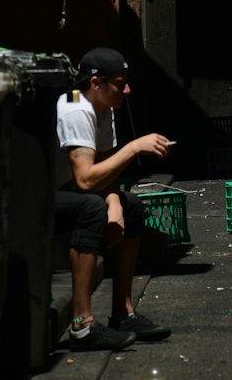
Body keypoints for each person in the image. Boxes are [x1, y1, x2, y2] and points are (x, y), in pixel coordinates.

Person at [55, 46, 174, 352]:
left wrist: (117, 203)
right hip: (34, 197)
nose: (128, 89)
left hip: (70, 189)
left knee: (131, 205)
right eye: (121, 83)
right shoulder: (75, 107)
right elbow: (85, 180)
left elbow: (103, 173)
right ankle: (81, 326)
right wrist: (134, 147)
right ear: (96, 83)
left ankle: (123, 314)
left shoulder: (103, 108)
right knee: (91, 208)